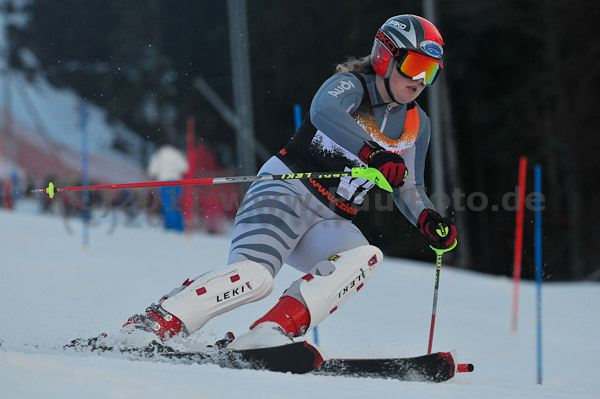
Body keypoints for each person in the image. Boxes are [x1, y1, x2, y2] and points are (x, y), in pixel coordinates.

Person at [100, 14, 457, 350]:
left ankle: (271, 331)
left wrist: (427, 219)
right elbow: (324, 113)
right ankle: (155, 323)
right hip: (284, 194)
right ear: (385, 56)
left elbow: (409, 186)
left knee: (364, 256)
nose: (420, 81)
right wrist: (373, 155)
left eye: (431, 73)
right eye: (414, 66)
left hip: (331, 220)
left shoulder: (417, 124)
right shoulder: (351, 86)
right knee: (256, 279)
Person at [147, 144, 189, 232]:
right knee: (172, 205)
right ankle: (179, 227)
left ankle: (172, 228)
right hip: (177, 182)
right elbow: (185, 168)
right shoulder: (177, 153)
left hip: (165, 182)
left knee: (167, 205)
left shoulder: (159, 154)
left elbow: (152, 171)